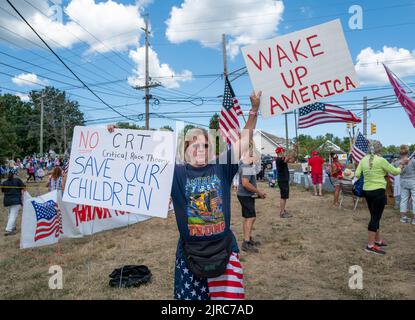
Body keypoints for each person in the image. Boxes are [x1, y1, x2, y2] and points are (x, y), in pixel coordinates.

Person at [108, 91, 262, 300]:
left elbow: (244, 139)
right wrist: (116, 139)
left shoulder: (221, 167)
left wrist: (253, 111)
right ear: (185, 149)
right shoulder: (174, 172)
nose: (200, 149)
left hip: (224, 252)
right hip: (190, 256)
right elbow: (137, 163)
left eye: (205, 145)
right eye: (194, 145)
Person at [355, 141, 403, 255]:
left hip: (367, 191)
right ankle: (370, 246)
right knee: (375, 218)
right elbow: (395, 172)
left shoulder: (363, 160)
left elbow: (357, 174)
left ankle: (377, 240)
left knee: (374, 216)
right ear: (379, 150)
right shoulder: (381, 160)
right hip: (378, 192)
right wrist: (401, 165)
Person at [237, 148, 266, 253]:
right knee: (251, 218)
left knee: (246, 218)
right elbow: (245, 183)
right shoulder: (247, 166)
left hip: (243, 195)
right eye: (256, 158)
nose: (257, 161)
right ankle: (246, 242)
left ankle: (248, 238)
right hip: (245, 195)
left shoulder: (242, 164)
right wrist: (258, 192)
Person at [1, 169, 26, 236]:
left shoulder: (4, 182)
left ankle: (12, 227)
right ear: (15, 174)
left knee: (10, 214)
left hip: (7, 201)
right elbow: (24, 187)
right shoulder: (17, 180)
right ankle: (8, 230)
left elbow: (3, 191)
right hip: (16, 201)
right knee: (13, 215)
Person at [396, 145, 415, 224]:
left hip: (403, 181)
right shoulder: (413, 161)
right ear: (407, 151)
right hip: (412, 181)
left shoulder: (397, 162)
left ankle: (403, 218)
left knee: (403, 199)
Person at [275, 147, 295, 218]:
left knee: (285, 196)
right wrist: (294, 149)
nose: (284, 153)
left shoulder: (281, 159)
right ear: (280, 152)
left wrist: (295, 151)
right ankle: (282, 213)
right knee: (283, 197)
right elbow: (288, 157)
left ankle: (283, 210)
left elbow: (292, 160)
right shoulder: (279, 159)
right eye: (283, 151)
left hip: (284, 179)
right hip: (282, 180)